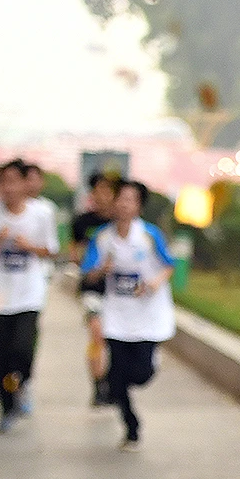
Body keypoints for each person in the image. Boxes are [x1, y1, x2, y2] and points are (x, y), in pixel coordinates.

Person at [81, 180, 175, 450]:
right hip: (117, 315)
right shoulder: (102, 237)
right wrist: (103, 268)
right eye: (120, 199)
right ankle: (131, 426)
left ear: (138, 206)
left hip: (147, 314)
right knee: (117, 376)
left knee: (141, 374)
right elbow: (88, 273)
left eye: (130, 200)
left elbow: (169, 265)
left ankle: (143, 367)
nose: (123, 205)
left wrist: (156, 282)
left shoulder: (149, 235)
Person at [0, 159, 59, 433]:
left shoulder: (41, 214)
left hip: (28, 292)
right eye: (5, 182)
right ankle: (7, 406)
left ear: (27, 184)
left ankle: (22, 381)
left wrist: (30, 246)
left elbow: (50, 250)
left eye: (15, 181)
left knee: (22, 348)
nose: (9, 188)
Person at [72, 173, 119, 406]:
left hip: (119, 291)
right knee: (97, 334)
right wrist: (94, 268)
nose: (103, 196)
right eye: (98, 191)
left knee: (115, 340)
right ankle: (98, 383)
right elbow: (75, 255)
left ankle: (113, 380)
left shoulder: (122, 223)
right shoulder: (83, 223)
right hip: (93, 287)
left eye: (108, 191)